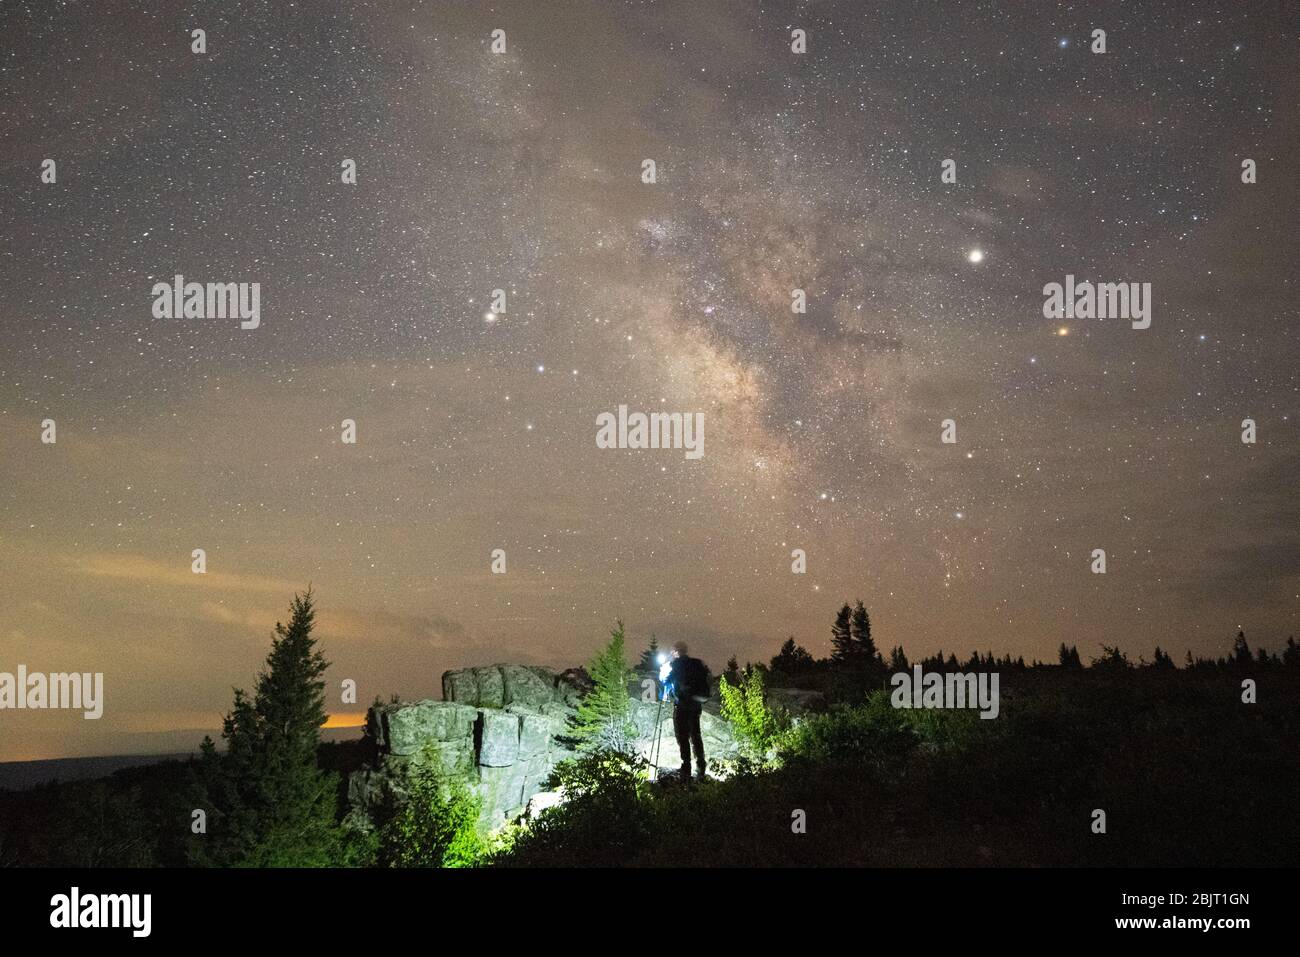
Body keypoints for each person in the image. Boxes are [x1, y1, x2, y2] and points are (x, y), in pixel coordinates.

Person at [665, 641, 710, 782]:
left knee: (682, 735)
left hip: (683, 705)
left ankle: (686, 767)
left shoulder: (676, 664)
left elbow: (667, 681)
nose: (672, 654)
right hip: (696, 705)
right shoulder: (697, 663)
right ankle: (701, 766)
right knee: (696, 735)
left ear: (677, 651)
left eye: (673, 652)